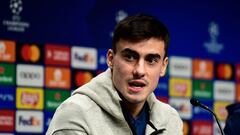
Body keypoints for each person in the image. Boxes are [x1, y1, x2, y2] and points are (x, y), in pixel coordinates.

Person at [46, 13, 183, 135]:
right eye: (130, 57)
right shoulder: (76, 113)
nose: (139, 71)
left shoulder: (170, 119)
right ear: (111, 59)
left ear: (163, 66)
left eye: (151, 60)